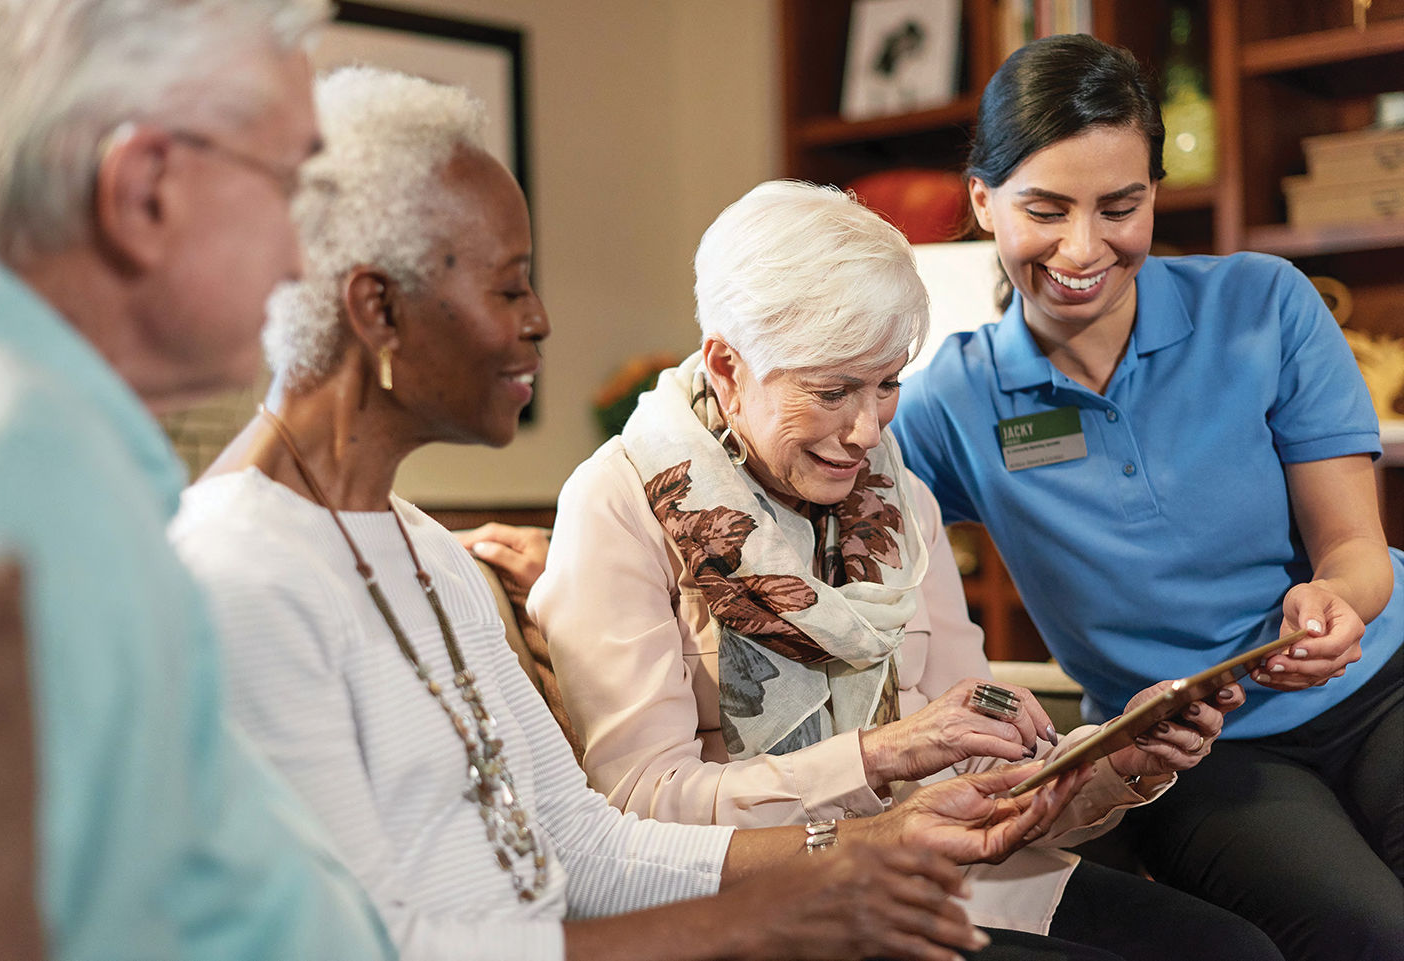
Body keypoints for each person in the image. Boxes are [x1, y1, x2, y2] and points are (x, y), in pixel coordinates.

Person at [169, 65, 1099, 961]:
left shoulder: (421, 548)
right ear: (377, 307)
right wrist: (773, 916)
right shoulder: (238, 575)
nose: (539, 319)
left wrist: (847, 856)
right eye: (508, 284)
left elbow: (585, 844)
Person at [530, 178, 1281, 961]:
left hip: (942, 869)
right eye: (831, 391)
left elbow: (981, 764)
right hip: (766, 907)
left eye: (888, 383)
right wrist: (882, 754)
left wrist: (1108, 764)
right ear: (727, 364)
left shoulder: (899, 496)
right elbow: (640, 813)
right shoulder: (617, 503)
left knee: (1237, 950)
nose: (865, 431)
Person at [887, 33, 1404, 961]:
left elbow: (1356, 550)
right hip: (1198, 749)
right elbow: (812, 496)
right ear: (982, 201)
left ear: (1154, 196)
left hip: (1385, 684)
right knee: (1365, 932)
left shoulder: (1265, 305)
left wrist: (1337, 600)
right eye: (1045, 209)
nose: (1083, 249)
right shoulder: (952, 403)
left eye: (1119, 207)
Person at [0, 1, 396, 959]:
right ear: (146, 190)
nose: (297, 257)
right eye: (291, 185)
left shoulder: (53, 445)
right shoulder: (32, 473)